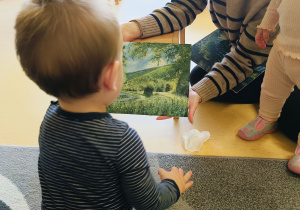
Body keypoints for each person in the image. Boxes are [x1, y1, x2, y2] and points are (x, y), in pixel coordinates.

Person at [14, 0, 193, 209]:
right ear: (111, 76)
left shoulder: (49, 121)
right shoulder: (123, 141)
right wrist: (173, 184)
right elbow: (150, 203)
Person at [121, 0, 300, 143]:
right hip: (244, 42)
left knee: (292, 125)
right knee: (198, 78)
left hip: (283, 54)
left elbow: (243, 59)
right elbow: (183, 6)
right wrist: (133, 28)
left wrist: (200, 91)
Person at [238, 0, 300, 174]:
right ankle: (267, 118)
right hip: (281, 48)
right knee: (271, 89)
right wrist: (266, 24)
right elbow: (276, 2)